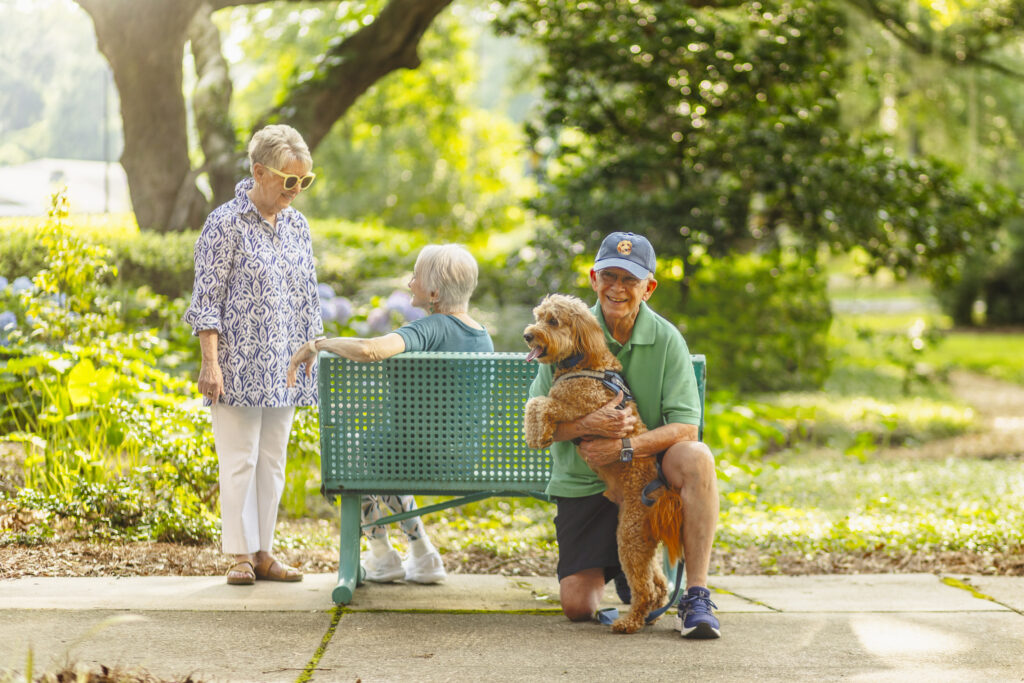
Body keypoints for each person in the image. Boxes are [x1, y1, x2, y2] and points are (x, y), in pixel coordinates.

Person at [528, 231, 721, 639]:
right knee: (578, 606)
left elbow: (686, 426)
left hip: (647, 477)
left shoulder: (667, 338)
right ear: (594, 278)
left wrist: (625, 446)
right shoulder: (562, 328)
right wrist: (588, 426)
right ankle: (625, 570)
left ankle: (697, 595)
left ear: (648, 288)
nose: (617, 288)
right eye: (609, 276)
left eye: (629, 280)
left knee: (698, 455)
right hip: (585, 481)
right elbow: (541, 429)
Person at [288, 243, 493, 584]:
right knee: (383, 447)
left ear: (434, 292)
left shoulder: (430, 328)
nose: (410, 282)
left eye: (416, 276)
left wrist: (316, 345)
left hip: (419, 459)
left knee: (352, 448)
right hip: (462, 460)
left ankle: (382, 553)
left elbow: (370, 350)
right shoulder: (482, 336)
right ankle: (422, 553)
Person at [183, 124, 322, 586]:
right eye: (289, 181)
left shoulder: (298, 226)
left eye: (305, 181)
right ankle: (239, 554)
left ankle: (265, 551)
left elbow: (308, 297)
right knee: (239, 459)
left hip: (286, 363)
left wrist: (311, 352)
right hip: (238, 363)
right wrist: (210, 361)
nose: (296, 191)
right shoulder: (225, 223)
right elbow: (207, 300)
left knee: (273, 460)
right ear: (260, 172)